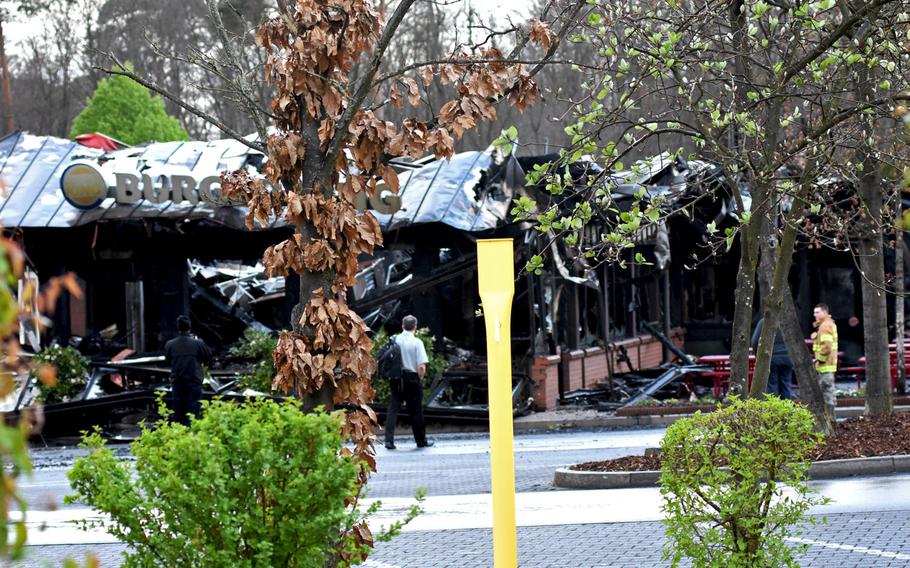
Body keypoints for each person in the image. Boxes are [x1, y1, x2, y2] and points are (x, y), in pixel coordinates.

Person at [384, 315, 433, 450]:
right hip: (412, 378)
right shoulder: (417, 342)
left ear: (402, 326)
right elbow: (422, 366)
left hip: (396, 378)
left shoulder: (394, 340)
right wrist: (420, 378)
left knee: (393, 409)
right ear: (415, 328)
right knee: (416, 410)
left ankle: (389, 440)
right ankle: (420, 441)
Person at [164, 315, 212, 426]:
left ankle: (179, 437)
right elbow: (208, 357)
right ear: (189, 327)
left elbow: (167, 361)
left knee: (179, 414)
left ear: (178, 328)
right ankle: (193, 437)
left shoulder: (170, 344)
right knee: (194, 413)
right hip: (194, 382)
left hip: (178, 382)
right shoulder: (198, 343)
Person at [751, 317, 793, 400]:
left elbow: (754, 341)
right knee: (786, 384)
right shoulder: (788, 322)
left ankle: (774, 410)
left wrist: (759, 356)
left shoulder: (765, 321)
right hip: (788, 358)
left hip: (771, 358)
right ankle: (787, 410)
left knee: (772, 385)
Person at [811, 303, 838, 421]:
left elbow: (827, 346)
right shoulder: (827, 324)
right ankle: (830, 419)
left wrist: (819, 360)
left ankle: (830, 420)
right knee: (828, 393)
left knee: (827, 395)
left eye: (817, 312)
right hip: (827, 366)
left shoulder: (825, 326)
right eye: (814, 312)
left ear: (825, 312)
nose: (814, 315)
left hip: (824, 365)